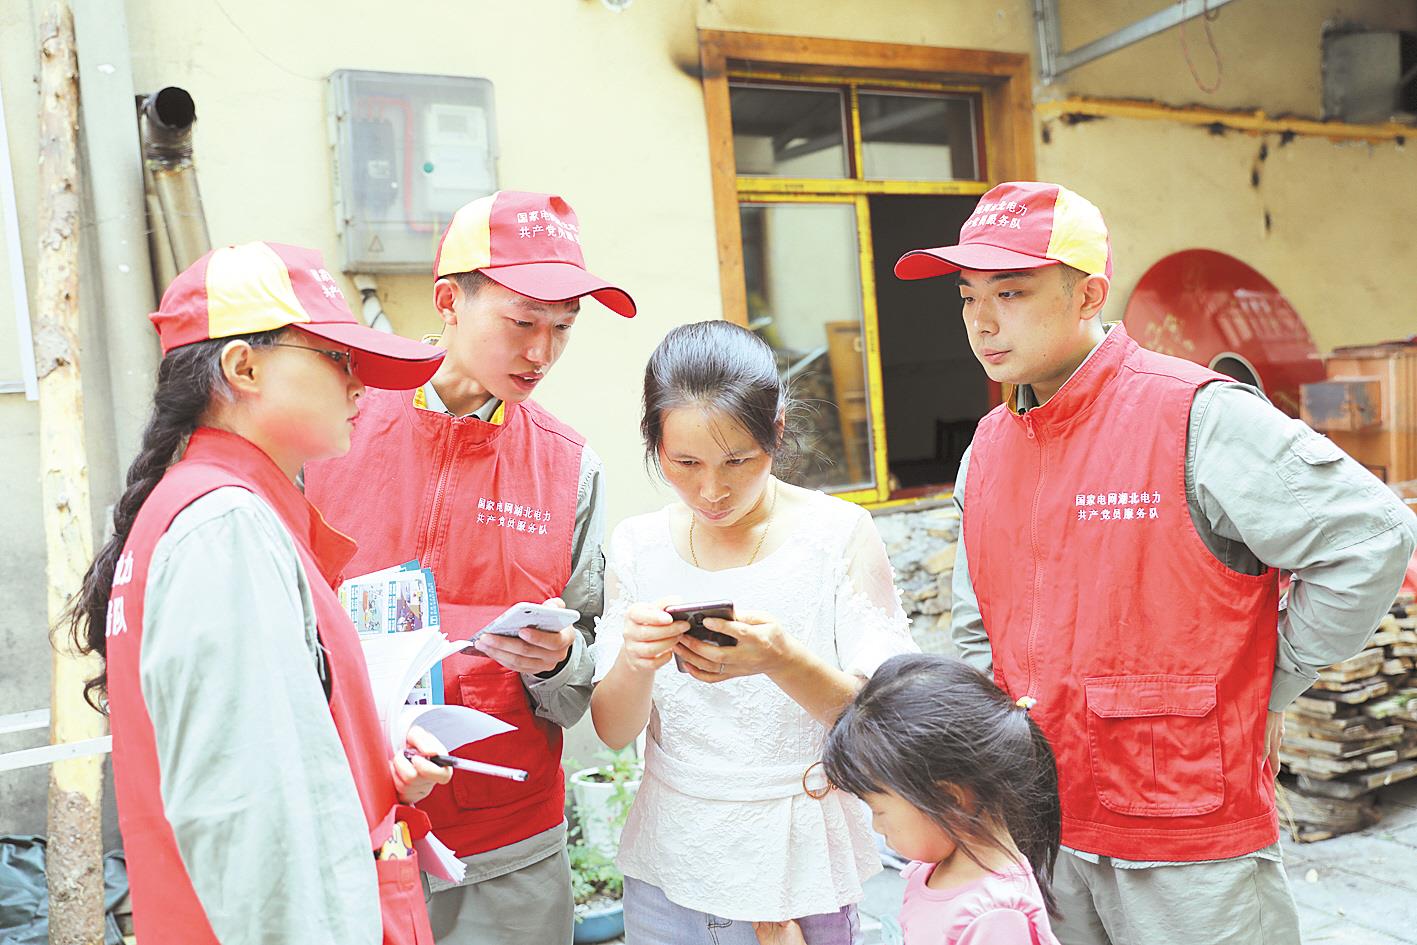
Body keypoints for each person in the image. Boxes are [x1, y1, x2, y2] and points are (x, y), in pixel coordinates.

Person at [893, 181, 1417, 945]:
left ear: (1087, 294)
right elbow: (981, 632)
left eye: (1009, 290)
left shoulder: (1194, 414)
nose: (981, 319)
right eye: (967, 293)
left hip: (1185, 836)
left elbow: (1368, 537)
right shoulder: (988, 451)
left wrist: (1273, 681)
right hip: (1042, 827)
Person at [65, 242, 454, 944]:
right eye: (339, 359)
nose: (360, 387)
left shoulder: (207, 510)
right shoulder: (225, 526)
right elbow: (253, 820)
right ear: (243, 366)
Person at [304, 190, 636, 944]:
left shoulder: (568, 465)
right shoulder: (336, 425)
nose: (541, 354)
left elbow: (587, 670)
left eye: (562, 328)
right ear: (449, 300)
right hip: (349, 826)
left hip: (506, 851)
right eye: (522, 322)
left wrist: (558, 661)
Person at [589, 320, 918, 945]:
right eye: (684, 462)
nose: (711, 490)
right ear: (654, 441)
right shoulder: (637, 544)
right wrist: (634, 661)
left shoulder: (838, 535)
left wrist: (783, 659)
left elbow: (889, 720)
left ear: (778, 432)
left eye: (738, 460)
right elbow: (613, 731)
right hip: (670, 866)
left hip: (803, 865)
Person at [755, 653, 1063, 945]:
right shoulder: (937, 868)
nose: (877, 826)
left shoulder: (997, 916)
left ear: (949, 798)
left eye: (878, 809)